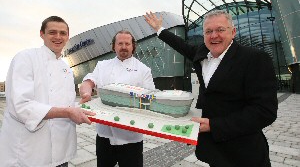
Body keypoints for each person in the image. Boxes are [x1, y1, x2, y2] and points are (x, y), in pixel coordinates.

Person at [144, 10, 278, 167]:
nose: (214, 35)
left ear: (233, 32)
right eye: (209, 31)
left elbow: (265, 112)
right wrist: (160, 30)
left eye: (220, 30)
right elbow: (182, 46)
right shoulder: (203, 55)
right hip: (213, 151)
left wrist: (215, 126)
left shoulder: (254, 58)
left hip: (243, 153)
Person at [0, 16, 95, 167]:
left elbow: (66, 105)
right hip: (29, 154)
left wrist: (79, 107)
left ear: (67, 37)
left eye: (63, 33)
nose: (58, 37)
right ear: (42, 34)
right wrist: (67, 112)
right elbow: (21, 106)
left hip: (61, 154)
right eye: (52, 32)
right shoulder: (25, 58)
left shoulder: (66, 69)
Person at [79, 30, 155, 167]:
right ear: (114, 46)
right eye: (120, 43)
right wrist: (86, 92)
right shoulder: (102, 65)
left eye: (127, 43)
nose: (124, 47)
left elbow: (150, 99)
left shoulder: (144, 70)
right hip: (104, 134)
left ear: (133, 46)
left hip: (131, 136)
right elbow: (89, 81)